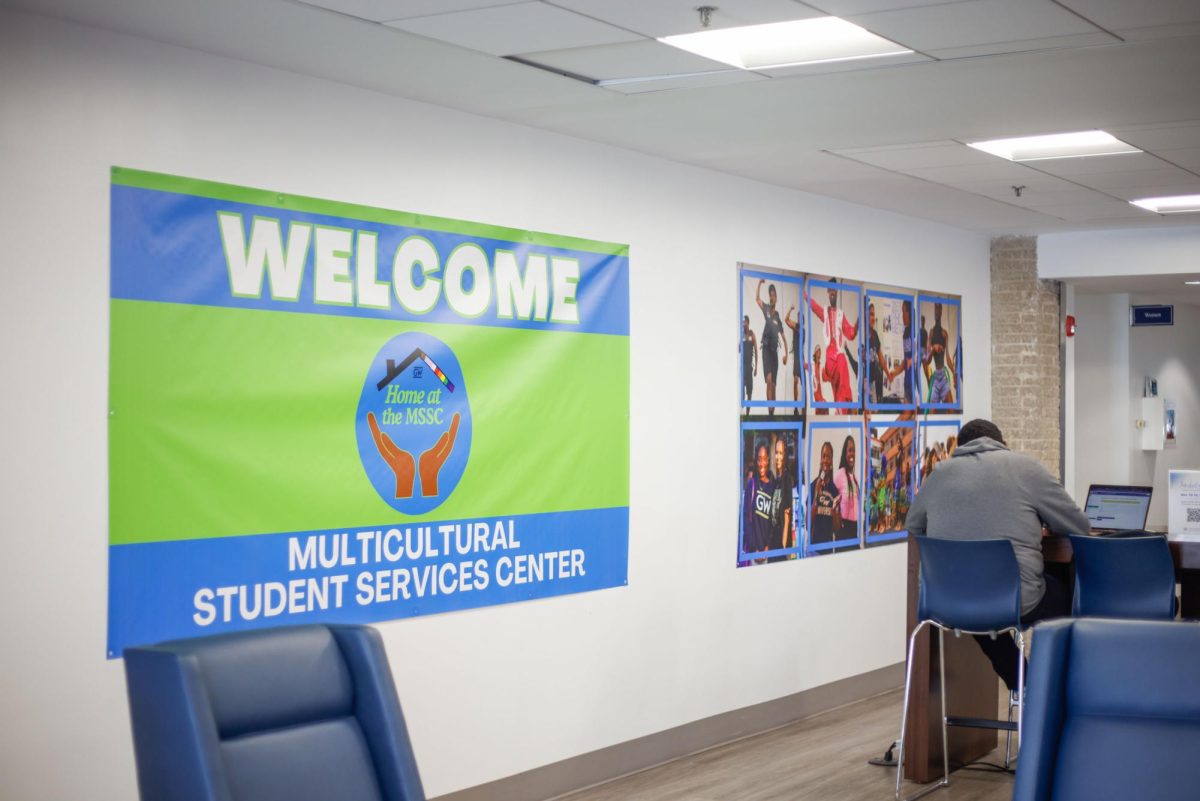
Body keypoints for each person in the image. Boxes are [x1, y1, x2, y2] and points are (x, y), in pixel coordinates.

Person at [906, 419, 1090, 691]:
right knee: (1066, 588)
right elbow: (1079, 526)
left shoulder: (938, 474)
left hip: (947, 600)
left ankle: (1024, 685)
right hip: (1013, 599)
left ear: (960, 447)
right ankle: (1046, 692)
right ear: (1002, 445)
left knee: (980, 602)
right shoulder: (1024, 468)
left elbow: (913, 526)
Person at [807, 284, 859, 403]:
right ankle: (846, 402)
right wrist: (804, 294)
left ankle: (841, 410)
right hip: (830, 360)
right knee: (842, 360)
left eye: (834, 290)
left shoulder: (841, 314)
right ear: (827, 292)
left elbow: (850, 333)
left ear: (837, 292)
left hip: (838, 360)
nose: (832, 293)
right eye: (830, 290)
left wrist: (856, 327)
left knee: (837, 392)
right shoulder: (825, 312)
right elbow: (813, 306)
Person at [756, 280, 787, 415]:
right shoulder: (767, 309)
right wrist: (759, 283)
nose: (772, 297)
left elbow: (784, 337)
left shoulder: (778, 317)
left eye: (774, 295)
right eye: (770, 295)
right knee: (768, 380)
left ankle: (772, 412)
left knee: (773, 385)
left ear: (776, 297)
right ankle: (769, 411)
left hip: (775, 352)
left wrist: (786, 353)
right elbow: (757, 299)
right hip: (766, 349)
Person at [742, 439, 775, 558]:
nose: (762, 463)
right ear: (757, 461)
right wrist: (754, 549)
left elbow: (773, 521)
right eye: (759, 459)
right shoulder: (751, 484)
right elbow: (746, 519)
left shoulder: (772, 486)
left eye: (764, 459)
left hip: (768, 553)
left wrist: (768, 547)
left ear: (768, 460)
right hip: (753, 554)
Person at [922, 302, 956, 404]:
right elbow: (927, 361)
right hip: (936, 378)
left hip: (943, 376)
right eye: (935, 309)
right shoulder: (931, 333)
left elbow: (948, 358)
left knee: (951, 410)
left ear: (941, 311)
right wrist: (933, 349)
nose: (936, 311)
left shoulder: (945, 333)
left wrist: (954, 373)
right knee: (932, 413)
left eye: (938, 309)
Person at [768, 437, 794, 562]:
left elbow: (787, 515)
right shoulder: (775, 479)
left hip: (781, 542)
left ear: (785, 456)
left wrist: (783, 547)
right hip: (773, 539)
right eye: (776, 453)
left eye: (781, 453)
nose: (778, 457)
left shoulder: (787, 478)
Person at [809, 441, 837, 546]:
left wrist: (835, 512)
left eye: (828, 457)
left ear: (832, 461)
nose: (825, 460)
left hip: (828, 551)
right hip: (813, 550)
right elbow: (808, 524)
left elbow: (836, 529)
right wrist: (816, 494)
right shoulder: (813, 486)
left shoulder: (834, 490)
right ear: (820, 459)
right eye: (823, 456)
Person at [833, 435, 860, 542]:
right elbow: (832, 500)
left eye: (853, 450)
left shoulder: (855, 478)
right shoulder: (839, 474)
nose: (852, 453)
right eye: (849, 450)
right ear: (845, 453)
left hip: (854, 528)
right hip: (843, 531)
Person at [784, 305, 802, 408]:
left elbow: (794, 326)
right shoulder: (795, 326)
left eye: (800, 317)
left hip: (801, 356)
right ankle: (796, 405)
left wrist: (794, 326)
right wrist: (790, 309)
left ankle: (803, 406)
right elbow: (786, 320)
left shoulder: (801, 330)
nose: (798, 318)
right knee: (795, 381)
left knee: (802, 382)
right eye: (798, 316)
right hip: (796, 357)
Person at [741, 315, 757, 407]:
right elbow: (738, 349)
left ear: (747, 322)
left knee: (749, 392)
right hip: (743, 366)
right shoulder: (741, 334)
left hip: (750, 366)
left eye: (744, 322)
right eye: (742, 322)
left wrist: (756, 368)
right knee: (742, 387)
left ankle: (747, 413)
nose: (743, 323)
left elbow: (756, 350)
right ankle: (742, 409)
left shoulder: (752, 334)